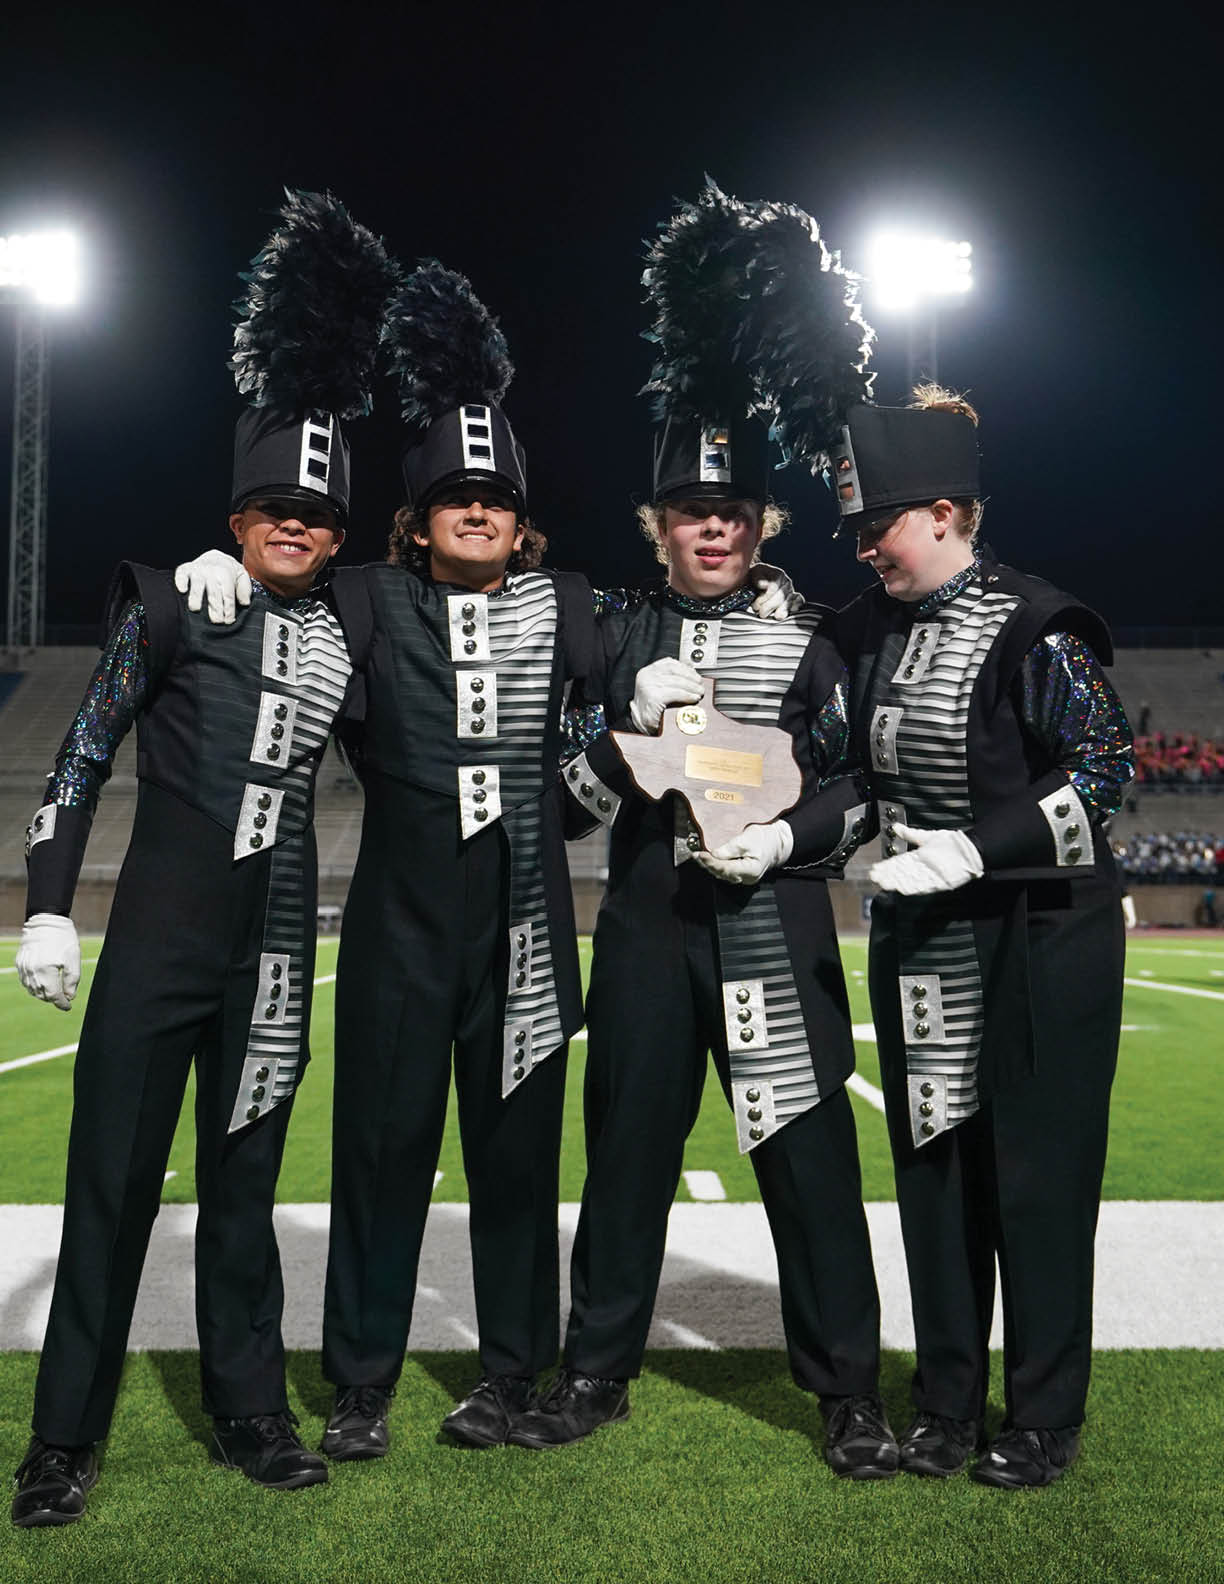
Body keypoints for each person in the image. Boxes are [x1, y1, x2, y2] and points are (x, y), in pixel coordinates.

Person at [177, 260, 798, 1459]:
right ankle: (360, 1382)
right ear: (416, 519)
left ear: (523, 520)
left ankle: (511, 1375)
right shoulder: (361, 598)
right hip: (397, 932)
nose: (476, 511)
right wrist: (223, 576)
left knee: (516, 1167)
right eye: (454, 496)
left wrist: (751, 608)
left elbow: (663, 663)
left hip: (526, 933)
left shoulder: (574, 605)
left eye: (496, 498)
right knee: (378, 1156)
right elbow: (278, 614)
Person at [9, 191, 396, 1526]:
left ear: (340, 533)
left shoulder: (352, 626)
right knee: (110, 1188)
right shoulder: (173, 603)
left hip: (277, 947)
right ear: (237, 515)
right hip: (161, 937)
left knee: (246, 1188)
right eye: (271, 506)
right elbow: (81, 755)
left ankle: (251, 1412)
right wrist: (46, 907)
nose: (293, 525)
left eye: (316, 514)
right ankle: (63, 1440)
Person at [509, 185, 897, 1478]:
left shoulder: (821, 640)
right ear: (660, 526)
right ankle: (595, 1369)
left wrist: (788, 842)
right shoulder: (614, 634)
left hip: (773, 925)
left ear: (761, 523)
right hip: (645, 931)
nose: (713, 526)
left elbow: (861, 789)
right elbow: (562, 799)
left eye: (732, 511)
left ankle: (848, 1391)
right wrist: (619, 726)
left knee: (809, 1159)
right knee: (625, 1155)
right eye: (690, 511)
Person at [828, 385, 1134, 1488]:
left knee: (1039, 1182)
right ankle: (946, 1401)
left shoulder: (1036, 623)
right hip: (922, 935)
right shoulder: (859, 631)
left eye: (882, 526)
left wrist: (973, 847)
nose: (866, 549)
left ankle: (1044, 1415)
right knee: (936, 1175)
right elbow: (841, 774)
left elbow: (1102, 772)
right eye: (858, 531)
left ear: (948, 513)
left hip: (1045, 937)